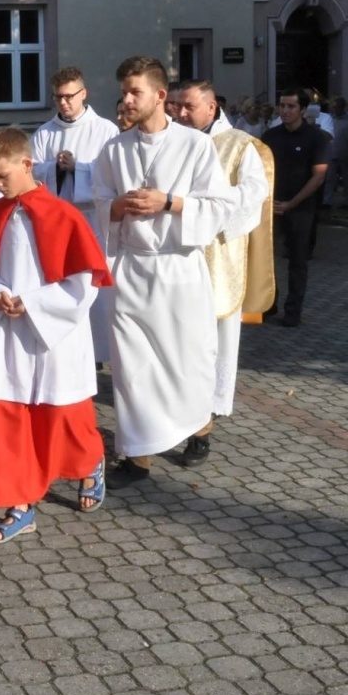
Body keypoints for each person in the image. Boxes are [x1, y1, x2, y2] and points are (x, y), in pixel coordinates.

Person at [0, 128, 112, 540]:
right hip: (10, 331)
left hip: (57, 335)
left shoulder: (63, 215)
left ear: (27, 165)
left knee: (65, 417)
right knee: (9, 418)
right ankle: (19, 504)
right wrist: (0, 290)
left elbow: (83, 282)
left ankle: (89, 462)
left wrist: (35, 303)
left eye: (2, 176)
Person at [91, 57, 236, 490]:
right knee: (132, 368)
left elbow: (220, 208)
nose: (126, 100)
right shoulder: (114, 149)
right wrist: (118, 206)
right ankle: (137, 456)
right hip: (132, 269)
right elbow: (99, 202)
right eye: (123, 92)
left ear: (159, 96)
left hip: (177, 269)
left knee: (185, 361)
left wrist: (169, 202)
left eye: (135, 91)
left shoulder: (195, 146)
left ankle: (199, 428)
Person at [176, 82, 273, 438]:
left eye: (188, 107)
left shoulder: (239, 144)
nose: (180, 113)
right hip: (181, 245)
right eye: (178, 106)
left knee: (218, 329)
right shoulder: (177, 140)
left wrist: (210, 212)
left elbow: (254, 192)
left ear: (211, 107)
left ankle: (214, 402)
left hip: (218, 245)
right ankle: (183, 398)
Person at [29, 66, 120, 362]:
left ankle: (99, 352)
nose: (64, 103)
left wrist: (77, 168)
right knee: (62, 282)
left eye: (69, 96)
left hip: (93, 219)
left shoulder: (105, 130)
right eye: (58, 97)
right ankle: (67, 346)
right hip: (58, 222)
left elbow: (112, 175)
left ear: (84, 94)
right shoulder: (45, 133)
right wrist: (54, 167)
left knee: (94, 285)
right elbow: (31, 173)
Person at [261, 89, 331, 327]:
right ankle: (268, 304)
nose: (285, 111)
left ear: (302, 109)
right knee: (265, 257)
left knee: (297, 260)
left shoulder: (316, 137)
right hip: (271, 205)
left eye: (291, 106)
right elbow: (258, 171)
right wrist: (269, 200)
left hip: (301, 208)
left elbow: (319, 176)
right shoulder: (270, 136)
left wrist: (292, 203)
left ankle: (293, 310)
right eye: (282, 106)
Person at [323, 99, 348, 207]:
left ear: (342, 107)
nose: (334, 109)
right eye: (333, 107)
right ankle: (327, 201)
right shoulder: (330, 118)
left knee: (347, 178)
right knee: (330, 178)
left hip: (345, 153)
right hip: (331, 152)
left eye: (336, 107)